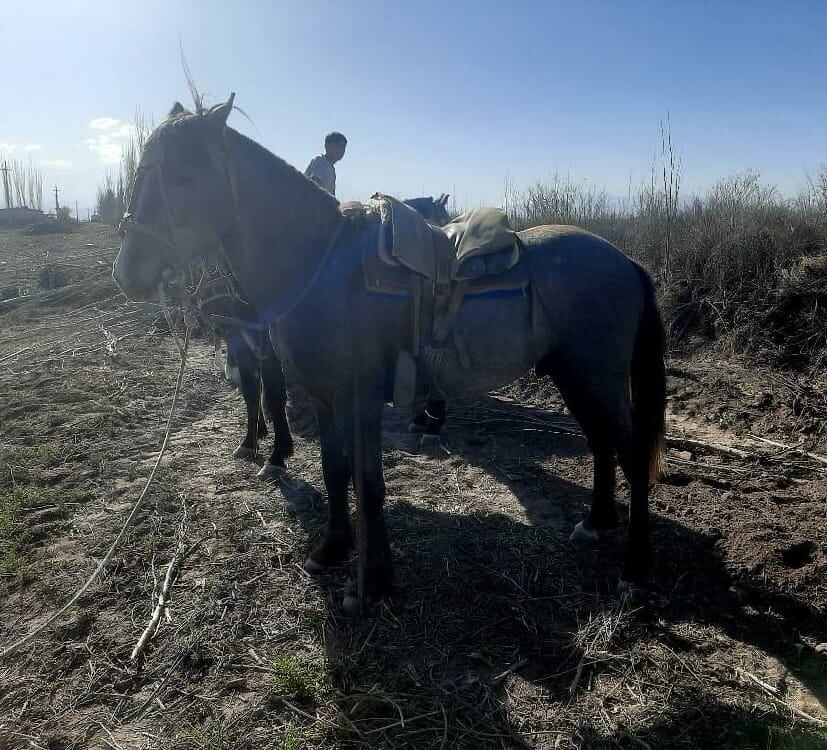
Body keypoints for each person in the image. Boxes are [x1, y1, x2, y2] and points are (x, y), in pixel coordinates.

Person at [304, 132, 347, 196]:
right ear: (327, 146)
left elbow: (332, 196)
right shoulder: (320, 161)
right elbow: (315, 189)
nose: (341, 149)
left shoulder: (332, 169)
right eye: (338, 145)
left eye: (343, 146)